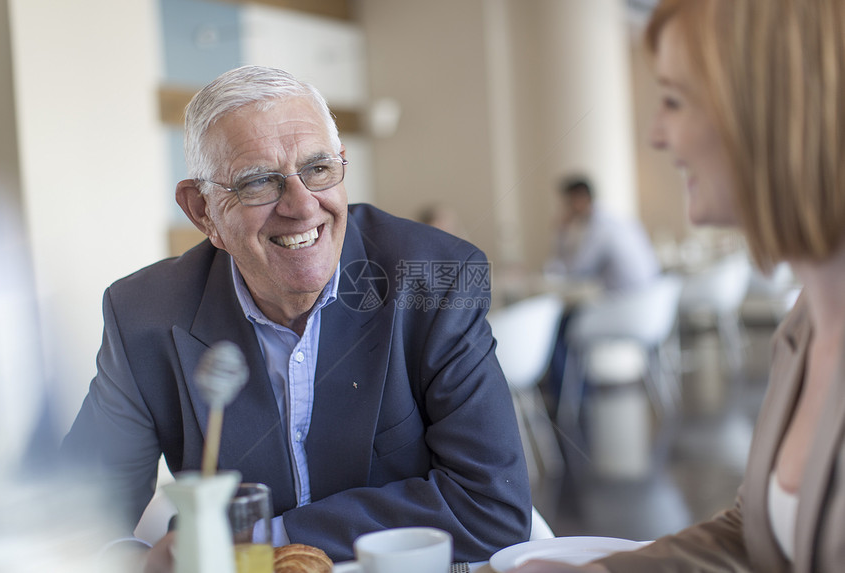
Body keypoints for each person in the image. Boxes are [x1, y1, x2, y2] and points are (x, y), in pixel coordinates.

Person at [61, 65, 531, 569]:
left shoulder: (436, 280)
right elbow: (68, 518)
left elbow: (492, 509)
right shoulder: (142, 316)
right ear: (203, 212)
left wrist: (261, 540)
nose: (303, 206)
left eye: (319, 169)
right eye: (259, 182)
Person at [511, 0, 845, 571]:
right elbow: (759, 531)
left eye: (673, 100)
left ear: (774, 108)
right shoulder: (804, 327)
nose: (656, 135)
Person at [545, 177, 660, 293]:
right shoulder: (614, 218)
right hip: (647, 295)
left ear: (580, 198)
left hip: (629, 300)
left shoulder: (599, 227)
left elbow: (577, 271)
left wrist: (561, 232)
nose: (566, 209)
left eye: (568, 203)